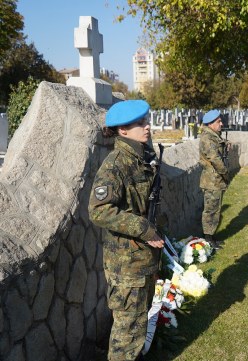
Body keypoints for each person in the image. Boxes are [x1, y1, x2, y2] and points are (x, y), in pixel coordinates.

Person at [88, 100, 164, 361]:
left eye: (146, 121)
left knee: (136, 324)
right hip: (127, 265)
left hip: (142, 260)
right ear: (123, 131)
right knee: (126, 332)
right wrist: (143, 228)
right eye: (140, 123)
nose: (147, 127)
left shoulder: (141, 157)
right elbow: (98, 210)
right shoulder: (116, 165)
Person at [199, 109, 229, 250]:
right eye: (219, 122)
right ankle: (208, 239)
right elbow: (215, 158)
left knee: (215, 210)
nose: (221, 124)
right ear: (210, 124)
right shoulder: (207, 138)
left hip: (215, 180)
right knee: (210, 211)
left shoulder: (213, 136)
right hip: (212, 180)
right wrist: (225, 172)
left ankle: (212, 236)